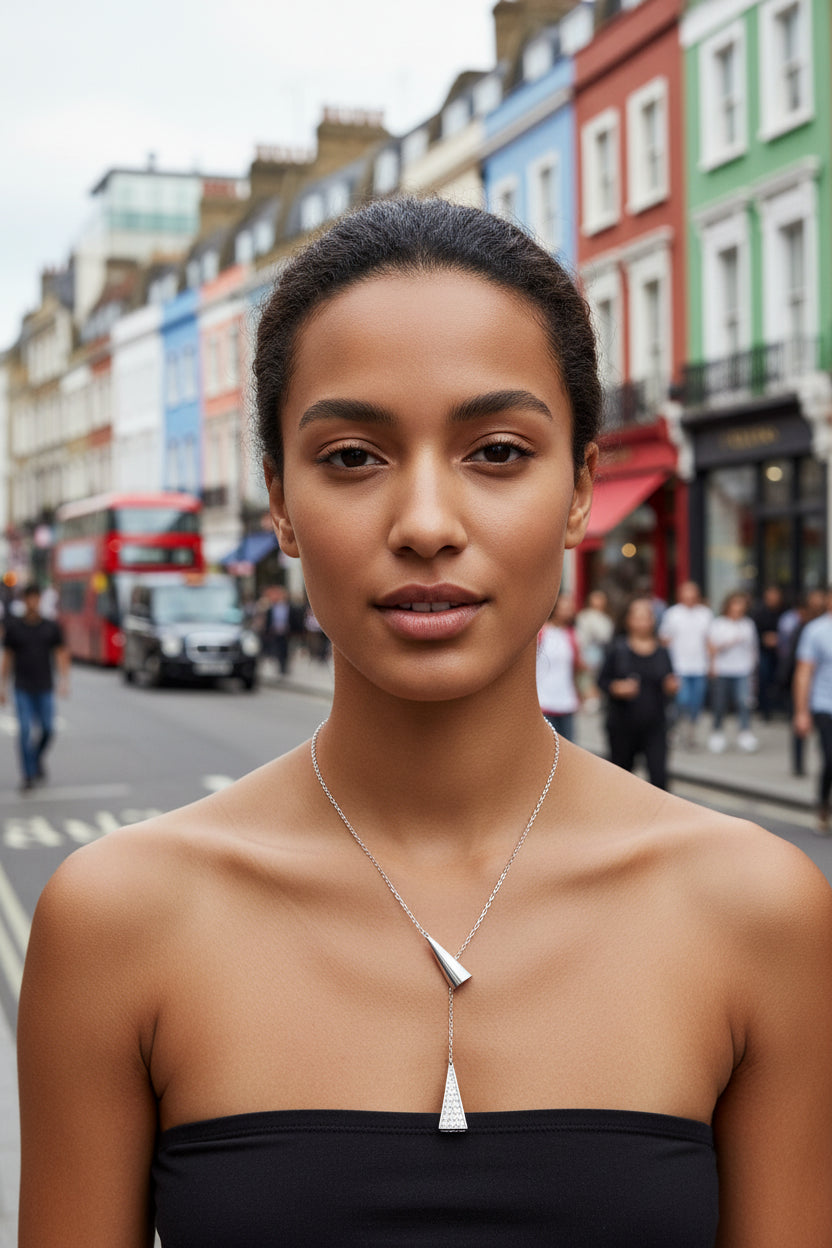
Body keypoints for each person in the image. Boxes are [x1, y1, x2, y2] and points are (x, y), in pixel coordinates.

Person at [18, 199, 832, 1246]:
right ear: (278, 500)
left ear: (581, 488)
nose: (427, 525)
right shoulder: (118, 921)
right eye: (353, 456)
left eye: (496, 451)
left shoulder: (757, 912)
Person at [598, 596, 678, 791]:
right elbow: (602, 681)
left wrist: (672, 686)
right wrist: (616, 687)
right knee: (621, 781)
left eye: (647, 617)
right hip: (623, 726)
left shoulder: (662, 651)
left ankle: (657, 821)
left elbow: (669, 681)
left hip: (655, 725)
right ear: (628, 620)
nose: (643, 622)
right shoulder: (618, 649)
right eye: (638, 617)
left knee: (659, 779)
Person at [0, 583, 69, 792]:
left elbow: (60, 653)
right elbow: (8, 658)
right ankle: (28, 775)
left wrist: (64, 680)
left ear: (40, 600)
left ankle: (36, 758)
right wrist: (2, 686)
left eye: (35, 597)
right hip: (22, 687)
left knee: (48, 728)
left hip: (45, 686)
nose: (32, 602)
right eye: (28, 598)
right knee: (25, 731)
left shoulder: (50, 626)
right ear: (24, 600)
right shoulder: (15, 627)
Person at [793, 586, 832, 834]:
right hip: (824, 705)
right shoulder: (816, 630)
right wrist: (801, 712)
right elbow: (804, 673)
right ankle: (823, 803)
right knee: (831, 757)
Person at [659, 581, 713, 748]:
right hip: (679, 666)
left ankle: (691, 732)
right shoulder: (672, 614)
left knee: (696, 702)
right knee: (683, 701)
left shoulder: (705, 614)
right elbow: (664, 639)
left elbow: (710, 640)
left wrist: (712, 662)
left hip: (699, 666)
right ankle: (675, 728)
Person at [707, 591, 759, 753]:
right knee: (720, 704)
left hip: (742, 670)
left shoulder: (748, 624)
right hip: (723, 670)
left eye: (741, 604)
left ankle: (745, 733)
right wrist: (728, 643)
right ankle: (717, 732)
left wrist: (752, 669)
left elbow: (753, 648)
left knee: (743, 702)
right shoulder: (718, 624)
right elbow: (712, 648)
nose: (739, 607)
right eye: (735, 603)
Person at [536, 591, 582, 741]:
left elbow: (576, 666)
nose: (568, 610)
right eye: (565, 607)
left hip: (567, 702)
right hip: (544, 702)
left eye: (570, 607)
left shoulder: (572, 635)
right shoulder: (542, 632)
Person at [574, 587, 613, 708]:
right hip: (586, 653)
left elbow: (606, 638)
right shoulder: (584, 617)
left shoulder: (607, 619)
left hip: (602, 656)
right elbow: (580, 638)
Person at [751, 586, 785, 720]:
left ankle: (780, 706)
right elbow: (752, 633)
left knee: (779, 678)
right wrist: (764, 639)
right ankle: (765, 710)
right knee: (764, 678)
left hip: (780, 652)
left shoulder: (784, 611)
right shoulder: (758, 612)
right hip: (763, 651)